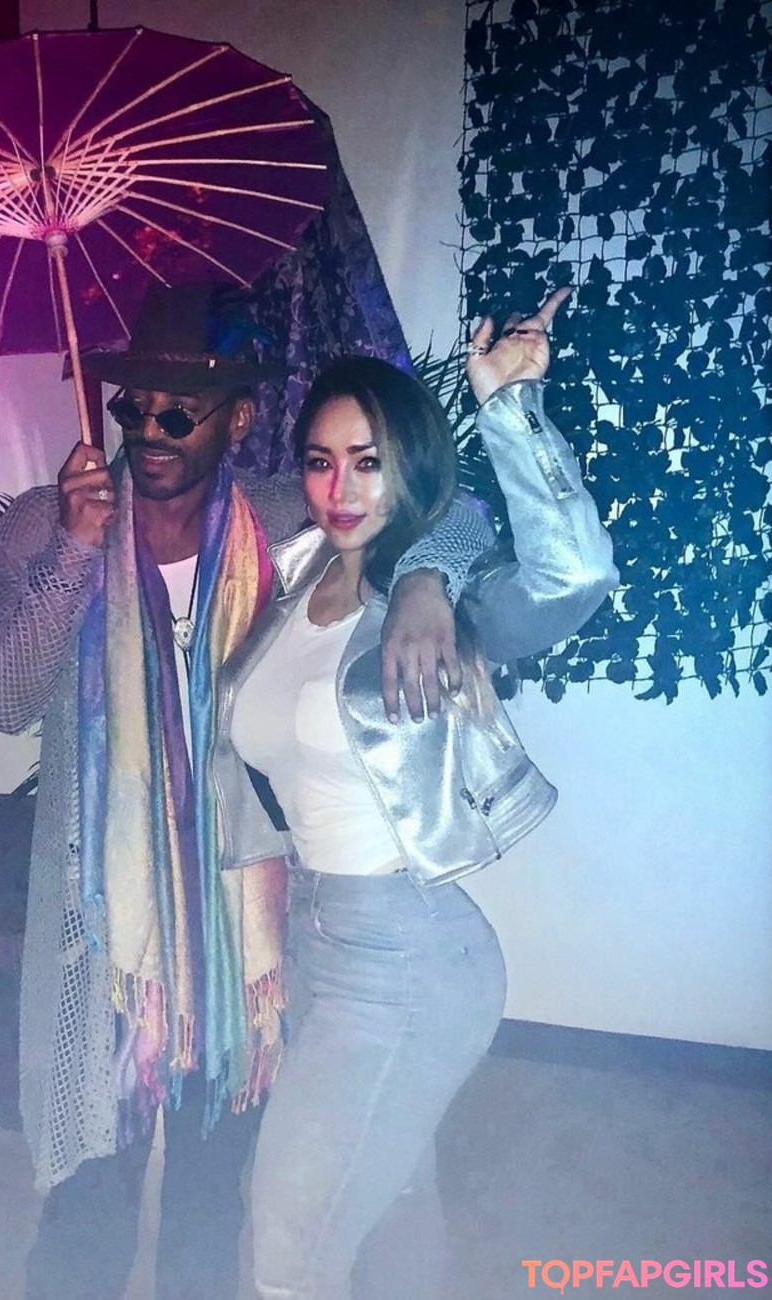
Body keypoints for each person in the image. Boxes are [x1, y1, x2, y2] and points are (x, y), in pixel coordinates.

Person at [0, 281, 495, 1300]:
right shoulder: (45, 525)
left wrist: (426, 581)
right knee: (83, 1203)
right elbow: (1, 697)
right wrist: (75, 550)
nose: (150, 431)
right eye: (135, 407)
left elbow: (452, 512)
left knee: (215, 1208)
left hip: (241, 939)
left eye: (181, 413)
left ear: (239, 419)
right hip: (104, 931)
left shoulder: (281, 516)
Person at [212, 288, 618, 1298]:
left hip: (409, 959)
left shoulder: (440, 601)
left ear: (409, 465)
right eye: (321, 460)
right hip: (313, 940)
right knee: (388, 1206)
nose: (340, 487)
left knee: (287, 1235)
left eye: (369, 460)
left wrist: (511, 415)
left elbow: (570, 578)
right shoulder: (293, 574)